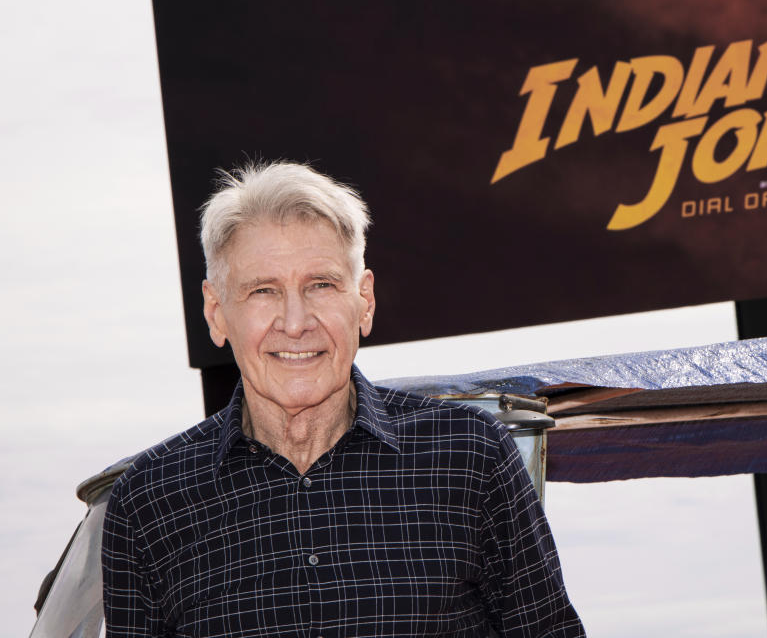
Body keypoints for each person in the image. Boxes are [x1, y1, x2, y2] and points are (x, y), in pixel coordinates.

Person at [101, 161, 585, 637]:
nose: (295, 322)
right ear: (216, 313)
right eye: (263, 291)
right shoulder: (147, 504)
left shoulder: (471, 455)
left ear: (365, 301)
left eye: (321, 285)